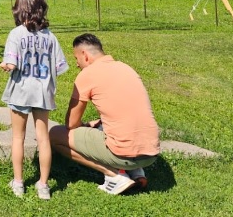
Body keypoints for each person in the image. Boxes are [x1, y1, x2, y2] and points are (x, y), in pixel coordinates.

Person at [49, 33, 160, 195]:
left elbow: (71, 124)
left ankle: (114, 175)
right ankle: (136, 172)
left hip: (122, 152)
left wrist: (84, 126)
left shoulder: (87, 75)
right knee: (103, 125)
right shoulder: (126, 68)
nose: (77, 65)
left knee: (54, 134)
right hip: (151, 152)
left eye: (76, 59)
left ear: (84, 56)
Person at [0, 0, 69, 200]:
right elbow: (60, 67)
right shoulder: (51, 37)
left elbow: (11, 63)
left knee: (18, 137)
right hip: (43, 92)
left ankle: (19, 183)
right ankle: (44, 186)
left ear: (19, 9)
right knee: (43, 139)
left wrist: (5, 64)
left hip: (21, 91)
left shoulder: (16, 34)